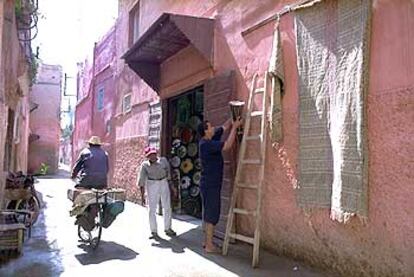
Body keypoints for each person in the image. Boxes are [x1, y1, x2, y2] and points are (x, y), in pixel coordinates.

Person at [198, 117, 242, 253]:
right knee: (212, 214)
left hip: (209, 183)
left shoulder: (210, 138)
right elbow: (228, 145)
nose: (213, 128)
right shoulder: (206, 144)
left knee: (208, 214)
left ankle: (206, 242)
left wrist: (233, 117)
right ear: (206, 132)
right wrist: (235, 127)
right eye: (210, 127)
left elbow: (223, 127)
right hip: (210, 184)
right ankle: (209, 246)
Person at [137, 146, 177, 238]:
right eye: (150, 155)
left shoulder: (163, 161)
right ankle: (154, 231)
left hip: (163, 182)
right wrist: (142, 196)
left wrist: (172, 187)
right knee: (152, 208)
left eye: (154, 154)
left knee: (167, 206)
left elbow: (168, 174)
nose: (153, 156)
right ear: (147, 156)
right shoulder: (145, 165)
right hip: (152, 183)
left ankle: (168, 228)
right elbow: (141, 182)